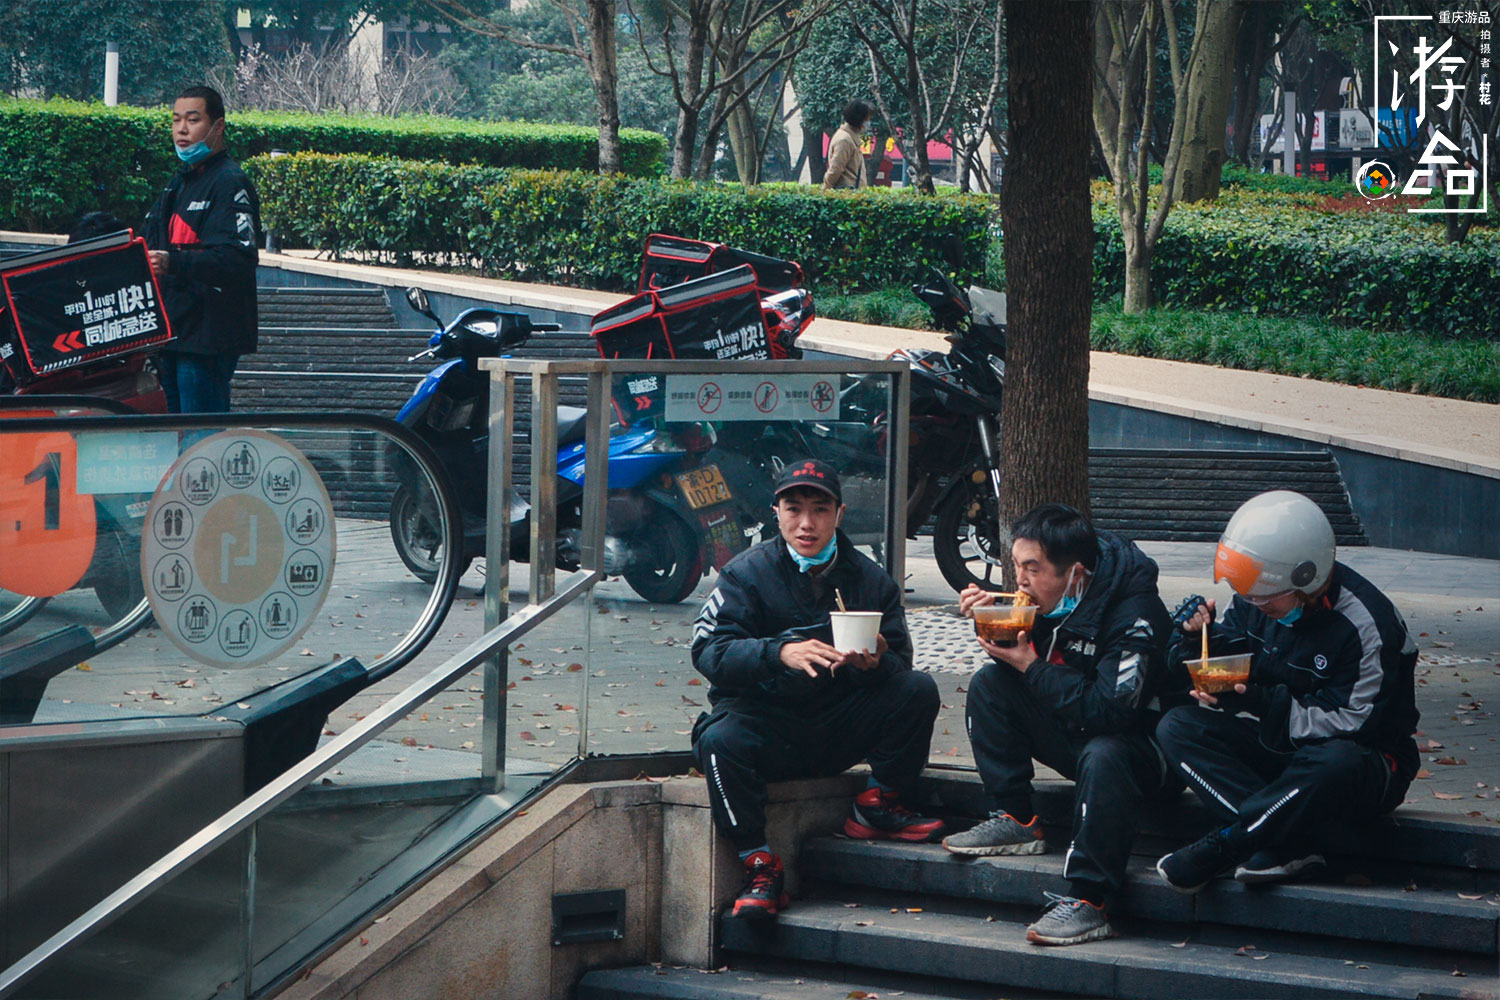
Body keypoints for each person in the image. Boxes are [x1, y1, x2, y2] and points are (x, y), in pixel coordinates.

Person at [691, 458, 943, 921]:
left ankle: (879, 802)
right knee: (717, 739)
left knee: (917, 689)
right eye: (794, 508)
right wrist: (777, 653)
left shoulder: (872, 581)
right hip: (768, 723)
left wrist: (877, 662)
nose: (807, 523)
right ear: (776, 512)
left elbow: (901, 663)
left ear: (839, 515)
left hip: (837, 723)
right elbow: (709, 652)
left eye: (820, 510)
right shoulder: (745, 574)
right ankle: (759, 864)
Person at [1154, 490, 1419, 891]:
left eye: (1265, 598)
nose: (1254, 605)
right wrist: (1194, 639)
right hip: (1282, 747)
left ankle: (1230, 842)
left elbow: (1354, 722)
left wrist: (1259, 702)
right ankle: (1286, 843)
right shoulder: (1256, 600)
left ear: (1305, 578)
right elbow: (1225, 650)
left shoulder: (1367, 625)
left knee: (1336, 760)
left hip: (1364, 762)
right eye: (1248, 597)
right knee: (1178, 727)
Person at [942, 503, 1177, 947]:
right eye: (1016, 566)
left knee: (1105, 749)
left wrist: (1031, 664)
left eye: (1033, 569)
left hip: (1146, 755)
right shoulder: (1052, 601)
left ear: (1077, 574)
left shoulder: (1137, 615)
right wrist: (999, 624)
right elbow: (1038, 676)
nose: (1022, 582)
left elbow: (1113, 711)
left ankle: (1091, 900)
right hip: (1081, 737)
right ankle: (1016, 817)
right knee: (991, 684)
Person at [142, 85, 260, 413]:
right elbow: (145, 240)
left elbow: (239, 257)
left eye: (193, 120)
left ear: (217, 127)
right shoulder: (177, 183)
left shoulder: (230, 182)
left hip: (208, 339)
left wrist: (172, 262)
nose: (182, 129)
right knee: (176, 438)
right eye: (176, 120)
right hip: (172, 333)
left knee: (201, 441)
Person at [822, 100, 872, 190]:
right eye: (867, 119)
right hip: (847, 193)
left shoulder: (851, 137)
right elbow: (835, 170)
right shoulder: (844, 140)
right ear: (859, 119)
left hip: (852, 192)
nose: (869, 123)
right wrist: (826, 189)